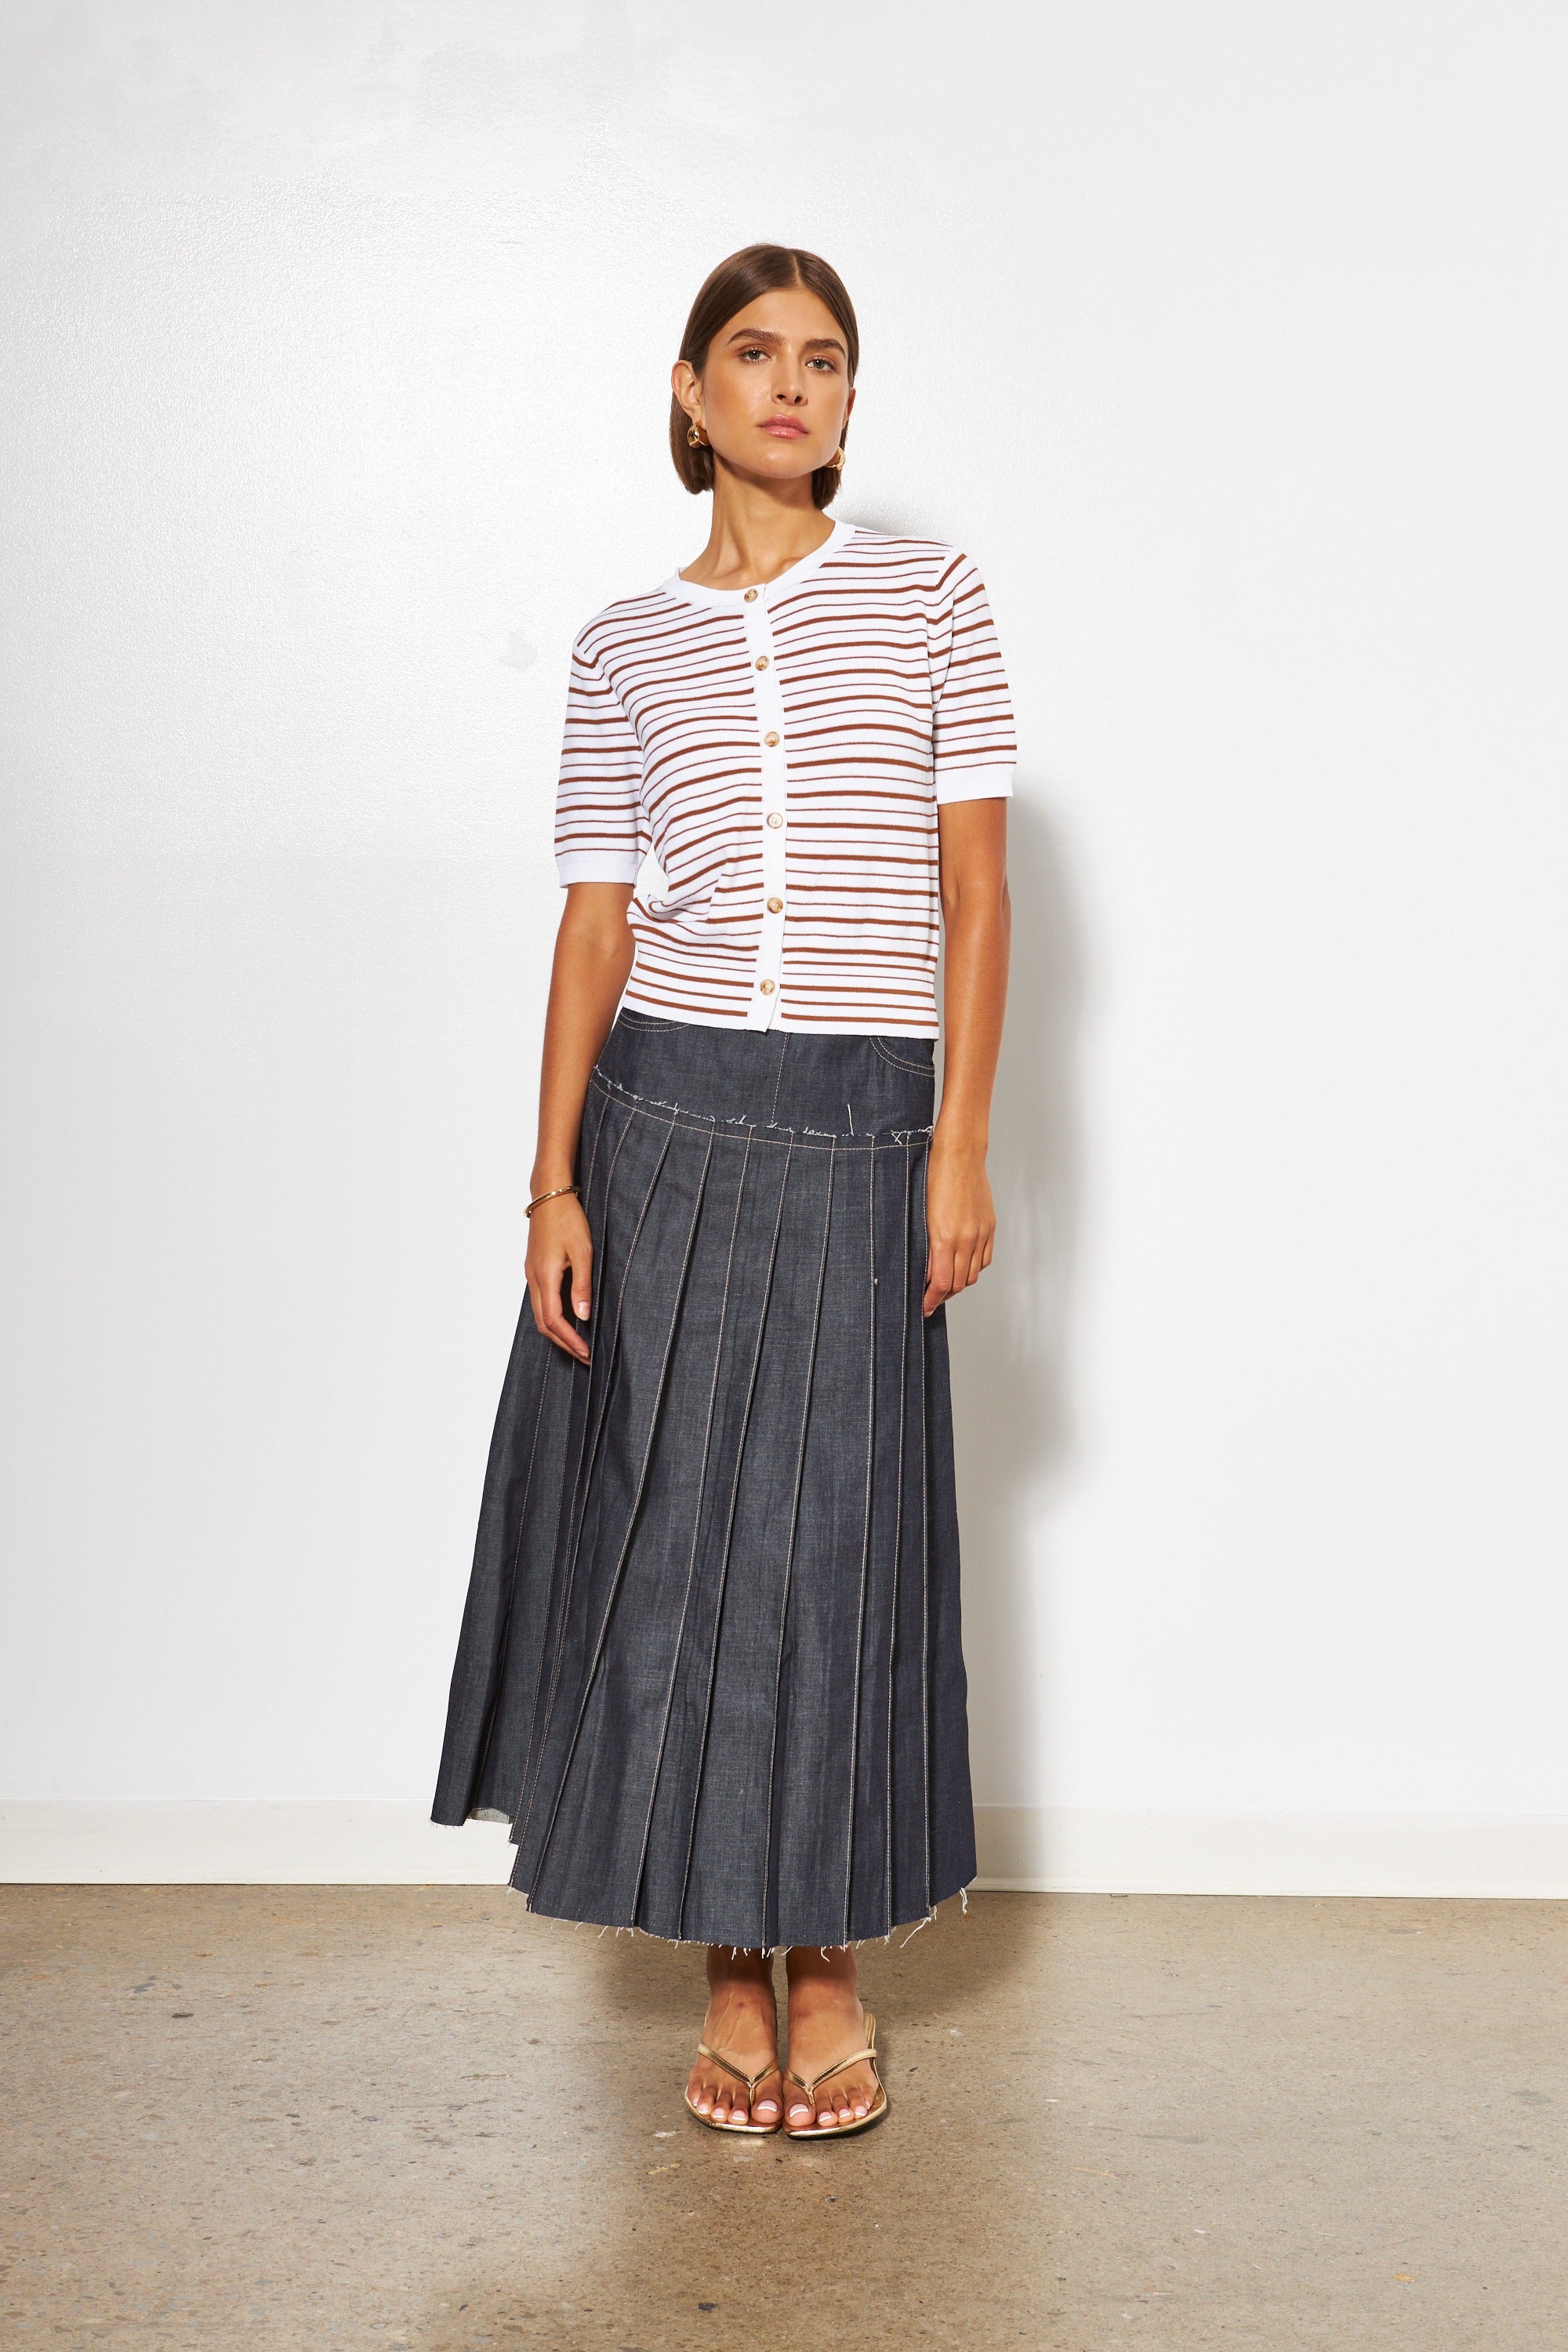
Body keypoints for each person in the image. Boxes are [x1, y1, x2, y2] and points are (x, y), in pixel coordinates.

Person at [432, 243, 1014, 2140]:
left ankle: (824, 1969)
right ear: (689, 393)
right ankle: (720, 1974)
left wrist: (955, 1144)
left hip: (862, 1126)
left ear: (849, 401)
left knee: (834, 1551)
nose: (789, 385)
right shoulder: (623, 643)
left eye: (822, 359)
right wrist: (549, 1183)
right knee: (670, 1550)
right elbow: (595, 923)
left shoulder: (930, 595)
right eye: (752, 354)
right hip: (662, 1123)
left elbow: (976, 893)